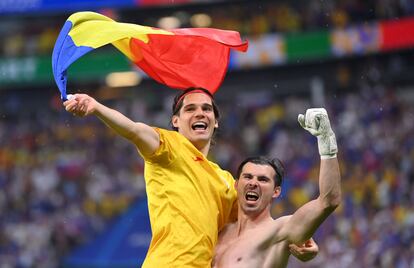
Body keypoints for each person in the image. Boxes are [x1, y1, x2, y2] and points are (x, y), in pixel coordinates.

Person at [63, 87, 319, 267]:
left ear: (215, 122)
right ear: (175, 120)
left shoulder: (226, 180)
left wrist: (296, 241)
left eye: (207, 109)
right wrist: (97, 108)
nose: (200, 113)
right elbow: (135, 130)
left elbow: (254, 223)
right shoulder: (169, 147)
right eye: (191, 109)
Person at [213, 108, 341, 268]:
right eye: (248, 177)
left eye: (263, 179)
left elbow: (328, 201)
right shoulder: (216, 230)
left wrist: (326, 141)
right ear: (236, 185)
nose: (253, 183)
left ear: (276, 191)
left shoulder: (280, 231)